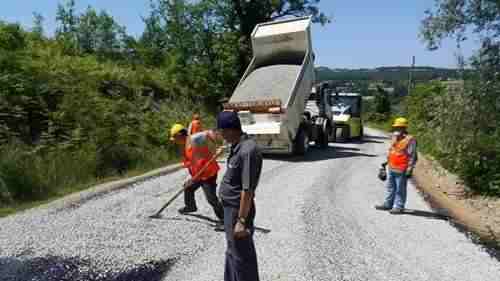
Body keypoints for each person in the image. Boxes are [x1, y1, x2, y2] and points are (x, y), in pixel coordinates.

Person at [217, 111, 262, 281]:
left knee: (242, 257)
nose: (220, 135)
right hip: (230, 209)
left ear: (230, 130)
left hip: (238, 211)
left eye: (222, 131)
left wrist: (242, 221)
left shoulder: (248, 151)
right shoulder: (238, 147)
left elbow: (247, 189)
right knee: (232, 251)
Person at [169, 123, 224, 229]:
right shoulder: (184, 146)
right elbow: (191, 163)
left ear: (180, 135)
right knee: (188, 187)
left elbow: (210, 133)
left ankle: (225, 221)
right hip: (198, 175)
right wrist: (192, 177)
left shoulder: (194, 139)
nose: (174, 141)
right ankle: (190, 206)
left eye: (175, 138)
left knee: (211, 199)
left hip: (208, 174)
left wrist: (220, 146)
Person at [375, 117, 417, 214]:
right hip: (392, 167)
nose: (396, 130)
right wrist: (384, 164)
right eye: (396, 127)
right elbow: (393, 151)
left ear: (404, 128)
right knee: (390, 187)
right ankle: (388, 204)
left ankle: (399, 206)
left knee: (400, 189)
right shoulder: (394, 138)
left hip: (402, 169)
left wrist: (410, 168)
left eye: (399, 127)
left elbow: (413, 156)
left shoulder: (410, 140)